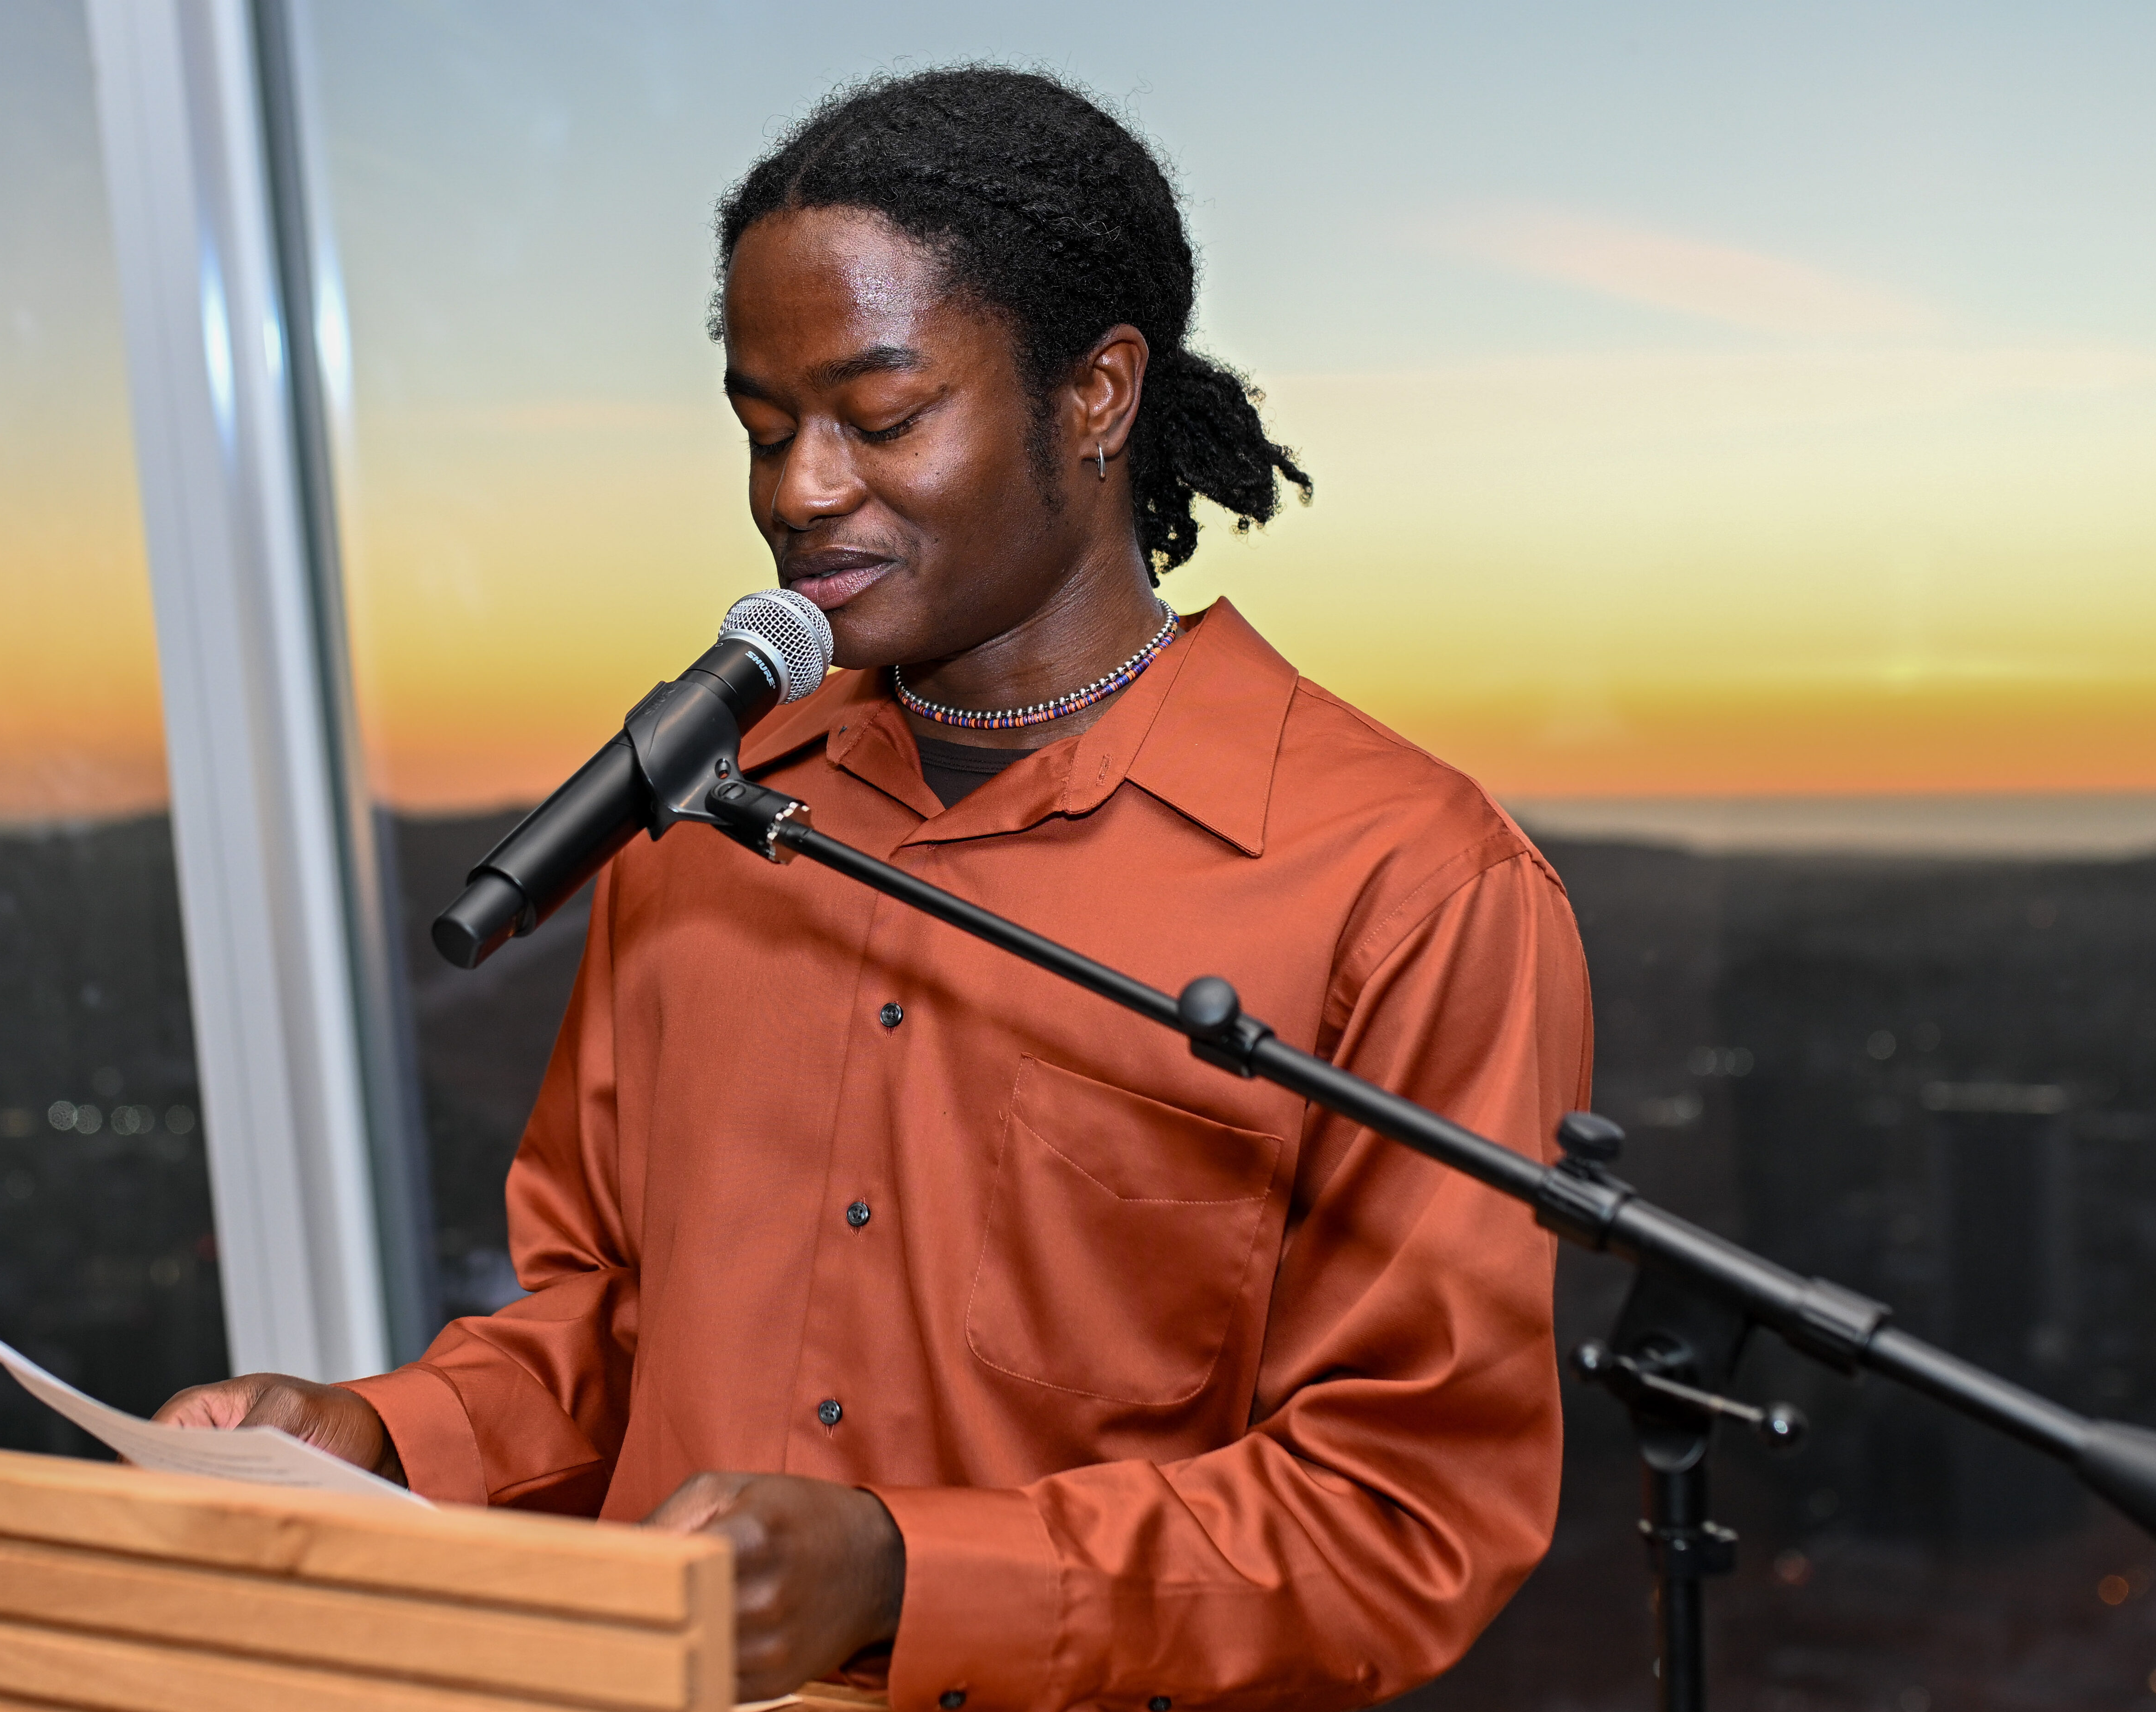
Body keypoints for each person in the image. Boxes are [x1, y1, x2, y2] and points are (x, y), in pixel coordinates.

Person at [157, 65, 1591, 1710]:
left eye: (882, 417)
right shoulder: (702, 818)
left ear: (1097, 393)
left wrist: (905, 1574)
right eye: (763, 430)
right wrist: (372, 1434)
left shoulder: (1408, 887)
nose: (799, 491)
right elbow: (610, 1325)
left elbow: (1401, 1513)